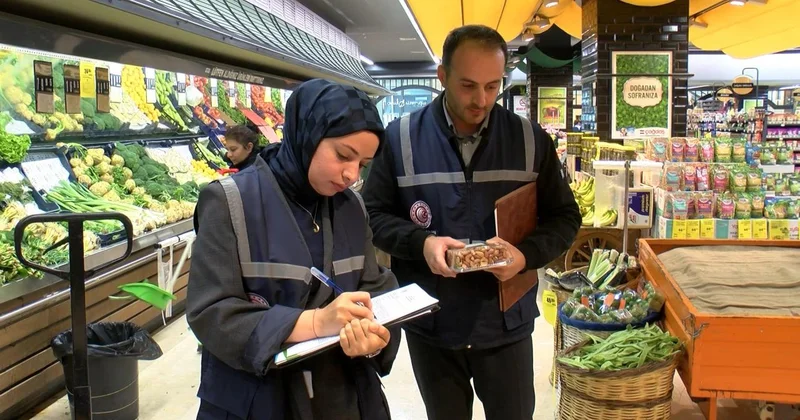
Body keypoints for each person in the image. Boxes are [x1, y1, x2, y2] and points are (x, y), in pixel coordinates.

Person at [362, 25, 581, 420]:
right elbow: (373, 216)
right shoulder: (400, 140)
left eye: (492, 86)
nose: (481, 99)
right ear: (442, 76)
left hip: (506, 323)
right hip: (433, 322)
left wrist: (525, 255)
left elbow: (565, 217)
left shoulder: (530, 141)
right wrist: (421, 244)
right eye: (467, 85)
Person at [187, 78, 400, 420]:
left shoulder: (352, 207)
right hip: (257, 401)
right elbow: (211, 312)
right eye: (343, 155)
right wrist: (316, 322)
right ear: (307, 133)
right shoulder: (229, 201)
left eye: (362, 164)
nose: (350, 175)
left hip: (342, 397)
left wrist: (374, 335)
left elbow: (372, 285)